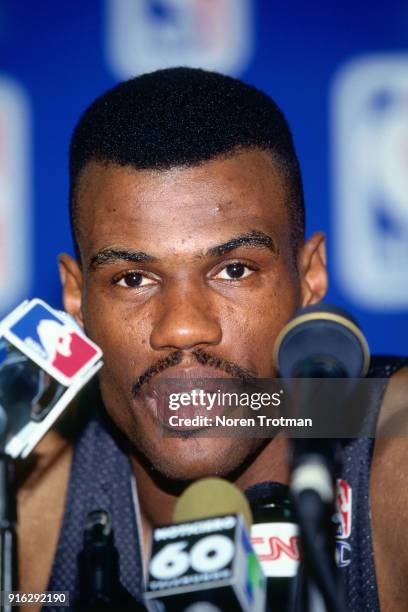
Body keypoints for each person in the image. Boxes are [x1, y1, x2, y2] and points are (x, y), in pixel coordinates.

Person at [16, 67, 408, 611]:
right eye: (133, 279)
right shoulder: (31, 496)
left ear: (310, 274)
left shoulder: (397, 456)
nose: (182, 327)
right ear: (77, 298)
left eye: (234, 270)